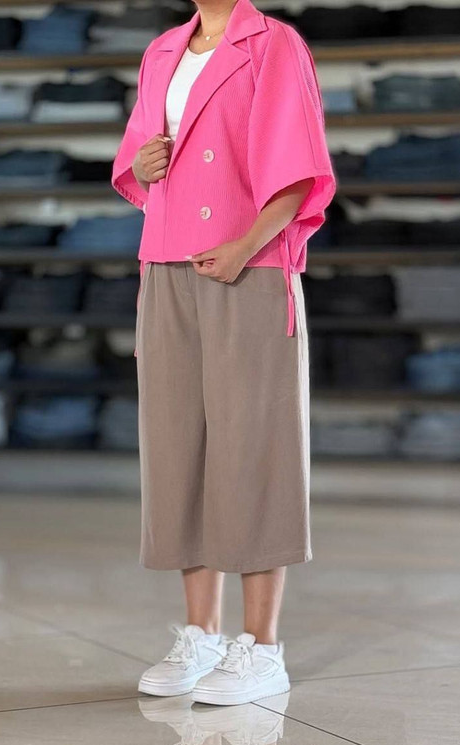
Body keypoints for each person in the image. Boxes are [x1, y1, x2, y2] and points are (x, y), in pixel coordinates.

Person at [111, 0, 336, 706]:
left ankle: (263, 648)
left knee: (254, 445)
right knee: (181, 445)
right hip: (166, 261)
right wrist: (142, 165)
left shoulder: (274, 44)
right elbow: (139, 159)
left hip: (250, 264)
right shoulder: (161, 51)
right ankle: (200, 633)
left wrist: (246, 246)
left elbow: (298, 166)